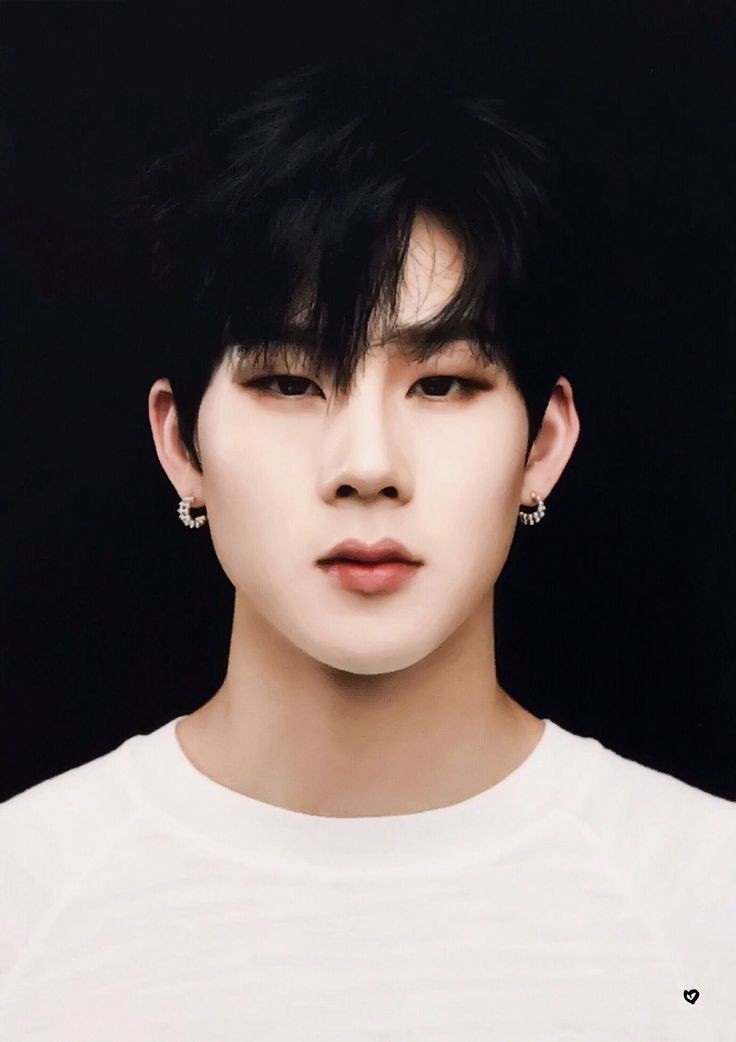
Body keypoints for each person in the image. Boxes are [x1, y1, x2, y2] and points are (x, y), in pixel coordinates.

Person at [1, 60, 734, 1041]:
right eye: (289, 383)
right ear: (180, 444)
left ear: (543, 445)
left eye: (442, 384)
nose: (367, 466)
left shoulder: (704, 903)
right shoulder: (26, 899)